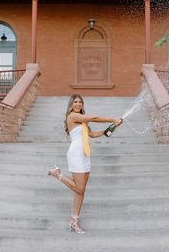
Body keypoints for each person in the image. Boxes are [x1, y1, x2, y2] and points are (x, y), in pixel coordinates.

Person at [48, 94, 123, 234]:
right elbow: (94, 118)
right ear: (71, 104)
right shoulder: (72, 116)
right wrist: (112, 118)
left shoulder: (83, 121)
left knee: (80, 192)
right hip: (76, 154)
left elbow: (92, 134)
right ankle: (58, 174)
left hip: (85, 155)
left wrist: (112, 127)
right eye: (75, 102)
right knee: (80, 189)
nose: (78, 104)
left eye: (80, 102)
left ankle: (74, 220)